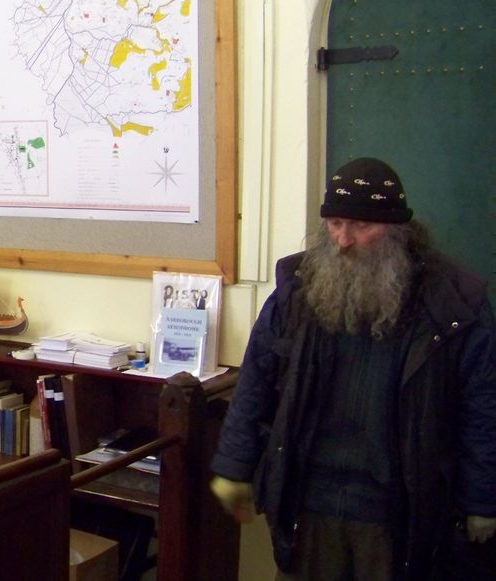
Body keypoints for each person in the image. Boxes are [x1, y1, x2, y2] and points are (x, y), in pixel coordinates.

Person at [209, 157, 496, 580]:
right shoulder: (299, 289)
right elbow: (256, 379)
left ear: (397, 229)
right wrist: (234, 465)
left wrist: (482, 500)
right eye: (335, 223)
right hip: (309, 502)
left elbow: (482, 407)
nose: (343, 240)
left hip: (397, 513)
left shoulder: (452, 301)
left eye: (361, 226)